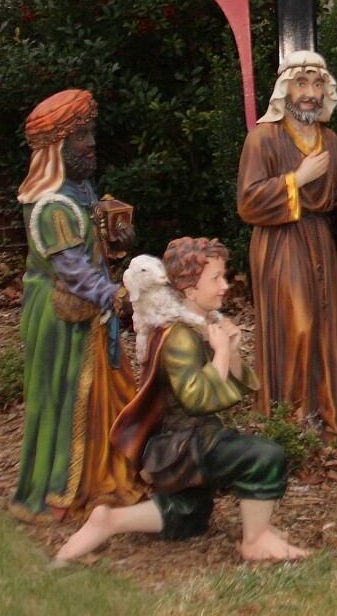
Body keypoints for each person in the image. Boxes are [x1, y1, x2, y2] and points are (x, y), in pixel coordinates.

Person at [56, 237, 308, 562]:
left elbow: (227, 388)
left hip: (194, 434)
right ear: (190, 290)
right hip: (183, 444)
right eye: (216, 278)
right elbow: (197, 400)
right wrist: (220, 355)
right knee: (264, 457)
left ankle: (109, 520)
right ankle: (256, 540)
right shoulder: (179, 337)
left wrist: (231, 353)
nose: (225, 286)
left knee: (189, 515)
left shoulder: (199, 326)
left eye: (223, 276)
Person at [11, 89, 142, 523]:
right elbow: (73, 272)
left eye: (90, 133)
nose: (91, 142)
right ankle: (62, 491)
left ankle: (107, 474)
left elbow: (92, 252)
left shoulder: (81, 189)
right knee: (68, 399)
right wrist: (115, 296)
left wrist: (117, 242)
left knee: (108, 392)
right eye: (80, 136)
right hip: (61, 320)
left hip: (90, 314)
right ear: (56, 148)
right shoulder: (52, 205)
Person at [236, 51, 337, 438]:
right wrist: (295, 180)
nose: (310, 93)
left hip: (318, 243)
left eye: (317, 85)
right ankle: (289, 420)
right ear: (286, 89)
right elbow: (248, 201)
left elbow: (336, 201)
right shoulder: (263, 138)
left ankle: (324, 413)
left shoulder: (329, 140)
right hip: (280, 244)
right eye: (302, 84)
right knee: (295, 324)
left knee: (325, 326)